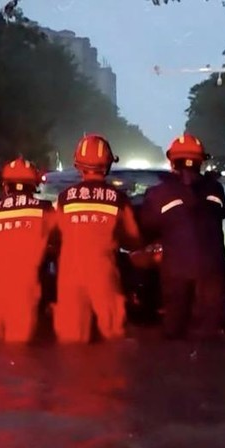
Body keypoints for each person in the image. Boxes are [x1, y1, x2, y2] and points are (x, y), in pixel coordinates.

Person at [139, 133, 225, 340]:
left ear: (172, 161)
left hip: (176, 270)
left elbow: (145, 228)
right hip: (214, 269)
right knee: (214, 335)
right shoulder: (216, 189)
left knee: (174, 330)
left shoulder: (158, 193)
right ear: (201, 162)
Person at [52, 134, 142, 344]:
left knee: (71, 342)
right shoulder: (118, 199)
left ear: (78, 165)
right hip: (104, 275)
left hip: (69, 278)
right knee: (113, 339)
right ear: (108, 165)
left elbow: (56, 236)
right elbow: (134, 239)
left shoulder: (64, 198)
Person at [0, 157, 57, 344]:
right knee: (19, 350)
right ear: (35, 185)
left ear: (5, 185)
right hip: (25, 289)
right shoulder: (45, 210)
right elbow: (60, 241)